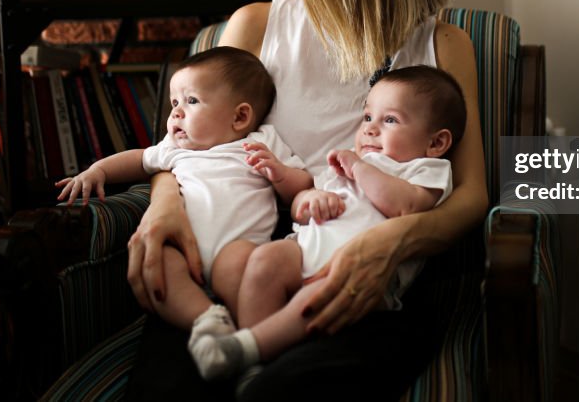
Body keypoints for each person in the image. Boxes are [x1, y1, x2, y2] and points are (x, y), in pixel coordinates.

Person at [127, 0, 488, 400]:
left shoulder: (444, 46)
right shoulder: (258, 25)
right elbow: (189, 146)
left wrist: (393, 245)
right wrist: (164, 204)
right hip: (245, 255)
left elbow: (472, 195)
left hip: (375, 272)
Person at [191, 66, 466, 381]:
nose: (371, 129)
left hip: (359, 276)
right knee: (265, 259)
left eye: (389, 120)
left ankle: (248, 347)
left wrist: (359, 168)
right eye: (367, 118)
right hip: (304, 251)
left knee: (319, 294)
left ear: (436, 143)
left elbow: (407, 207)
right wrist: (309, 201)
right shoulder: (346, 160)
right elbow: (302, 203)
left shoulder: (425, 169)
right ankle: (256, 363)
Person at [56, 47, 312, 348]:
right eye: (174, 102)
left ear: (240, 116)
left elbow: (303, 184)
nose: (176, 112)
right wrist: (97, 171)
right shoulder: (174, 149)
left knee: (242, 270)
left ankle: (250, 341)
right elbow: (139, 159)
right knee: (159, 266)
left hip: (236, 247)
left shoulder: (261, 142)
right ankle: (206, 321)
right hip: (179, 241)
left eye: (191, 101)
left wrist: (279, 172)